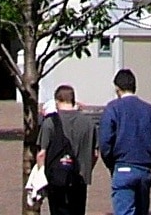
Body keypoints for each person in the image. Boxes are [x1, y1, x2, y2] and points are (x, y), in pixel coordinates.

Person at [98, 67, 151, 215]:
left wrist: (111, 163)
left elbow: (105, 142)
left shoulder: (112, 109)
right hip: (144, 168)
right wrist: (149, 158)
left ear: (117, 88)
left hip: (122, 166)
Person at [35, 83, 97, 215]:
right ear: (73, 100)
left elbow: (42, 154)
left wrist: (41, 176)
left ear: (57, 101)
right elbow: (95, 154)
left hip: (56, 178)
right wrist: (86, 169)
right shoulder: (88, 123)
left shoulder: (50, 123)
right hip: (80, 177)